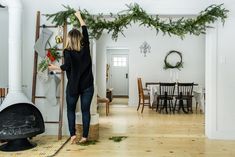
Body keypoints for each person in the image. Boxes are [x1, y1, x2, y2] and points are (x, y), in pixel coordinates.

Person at [48, 11, 94, 144]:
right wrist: (79, 16)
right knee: (86, 111)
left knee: (70, 110)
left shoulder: (67, 51)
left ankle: (73, 136)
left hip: (73, 86)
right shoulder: (85, 47)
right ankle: (85, 137)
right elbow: (85, 29)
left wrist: (53, 67)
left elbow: (66, 66)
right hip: (87, 85)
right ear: (80, 39)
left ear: (69, 39)